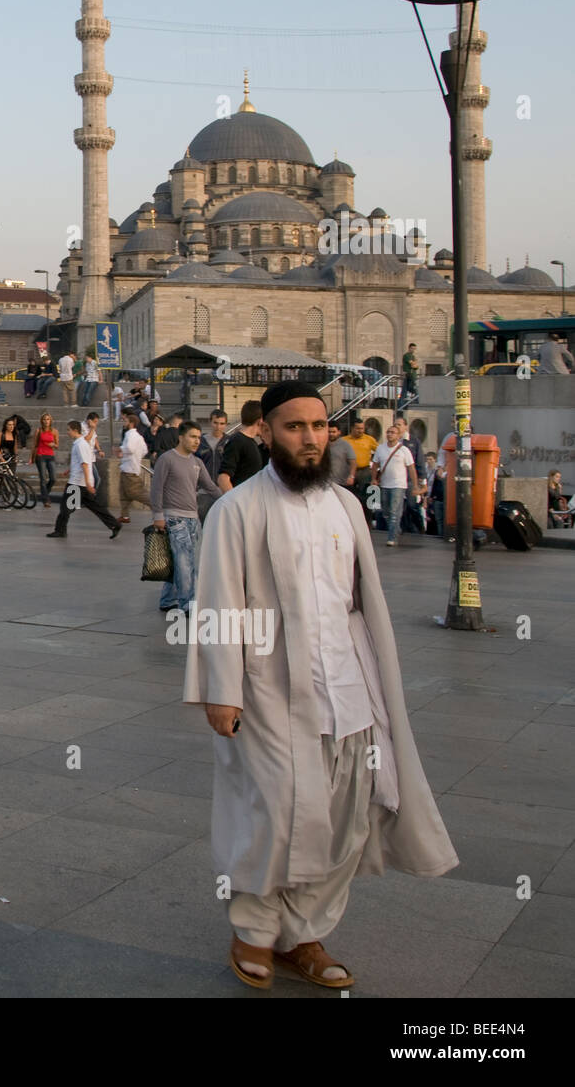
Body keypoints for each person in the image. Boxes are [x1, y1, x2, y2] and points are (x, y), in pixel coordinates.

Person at [184, 378, 456, 991]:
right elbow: (220, 603)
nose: (309, 439)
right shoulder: (239, 509)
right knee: (276, 812)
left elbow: (361, 600)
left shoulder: (346, 506)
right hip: (269, 690)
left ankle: (304, 934)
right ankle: (253, 931)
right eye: (294, 427)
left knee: (343, 815)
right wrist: (220, 689)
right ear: (269, 432)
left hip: (348, 685)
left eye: (318, 426)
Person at [151, 421, 222, 615]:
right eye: (192, 436)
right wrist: (158, 516)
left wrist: (228, 500)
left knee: (184, 562)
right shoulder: (167, 459)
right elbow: (156, 488)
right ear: (181, 437)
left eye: (199, 437)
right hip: (174, 518)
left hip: (193, 519)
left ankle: (168, 599)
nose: (197, 441)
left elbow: (210, 486)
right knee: (184, 563)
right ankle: (188, 603)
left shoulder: (197, 462)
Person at [47, 419, 121, 540]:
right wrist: (69, 471)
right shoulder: (81, 443)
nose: (67, 433)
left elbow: (85, 464)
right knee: (95, 507)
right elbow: (80, 463)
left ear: (75, 430)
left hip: (77, 484)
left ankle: (60, 530)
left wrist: (88, 483)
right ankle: (115, 524)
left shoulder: (80, 444)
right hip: (81, 483)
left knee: (66, 508)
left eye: (68, 430)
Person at [371, 422, 417, 546]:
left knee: (394, 512)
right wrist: (374, 478)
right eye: (388, 432)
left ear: (398, 436)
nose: (390, 434)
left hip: (399, 484)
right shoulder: (380, 448)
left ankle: (392, 538)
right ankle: (396, 528)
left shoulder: (404, 450)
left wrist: (416, 485)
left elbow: (411, 468)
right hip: (385, 484)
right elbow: (375, 464)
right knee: (385, 511)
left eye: (393, 432)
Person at [216, 401, 263, 493]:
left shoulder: (251, 442)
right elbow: (223, 478)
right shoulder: (237, 441)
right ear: (260, 420)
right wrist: (234, 504)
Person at [116, 411, 150, 524]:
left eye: (126, 421)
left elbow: (129, 448)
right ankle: (124, 515)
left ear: (131, 423)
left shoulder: (129, 434)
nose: (124, 422)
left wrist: (121, 450)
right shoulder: (139, 436)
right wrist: (136, 457)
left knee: (135, 492)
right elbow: (144, 450)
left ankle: (156, 505)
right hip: (131, 467)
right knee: (123, 493)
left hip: (129, 468)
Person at [30, 412, 59, 508]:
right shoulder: (38, 431)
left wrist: (53, 445)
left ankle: (44, 493)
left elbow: (57, 445)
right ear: (41, 421)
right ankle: (46, 500)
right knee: (43, 478)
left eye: (48, 419)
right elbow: (34, 445)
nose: (46, 421)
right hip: (40, 455)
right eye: (44, 419)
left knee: (53, 478)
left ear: (51, 421)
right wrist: (31, 457)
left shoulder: (54, 431)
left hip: (50, 455)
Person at [327, 417, 356, 488]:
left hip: (342, 483)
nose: (331, 434)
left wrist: (351, 476)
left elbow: (353, 462)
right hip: (326, 483)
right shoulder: (322, 445)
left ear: (339, 432)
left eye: (333, 432)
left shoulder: (346, 445)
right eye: (329, 432)